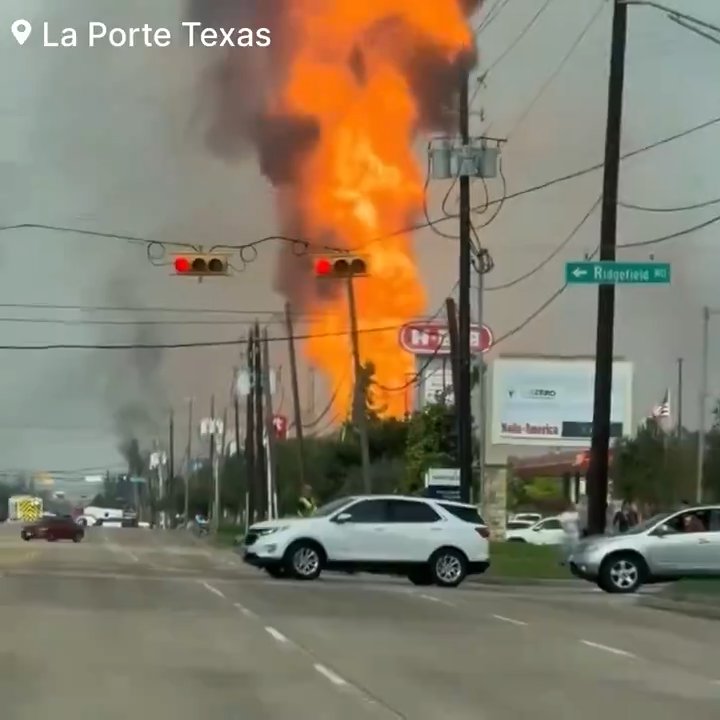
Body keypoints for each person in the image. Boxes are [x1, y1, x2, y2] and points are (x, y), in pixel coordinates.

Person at [558, 500, 580, 565]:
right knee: (566, 548)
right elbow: (560, 522)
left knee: (574, 547)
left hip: (574, 533)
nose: (572, 507)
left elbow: (579, 523)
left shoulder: (577, 514)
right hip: (567, 533)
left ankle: (574, 560)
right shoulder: (564, 515)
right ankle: (566, 560)